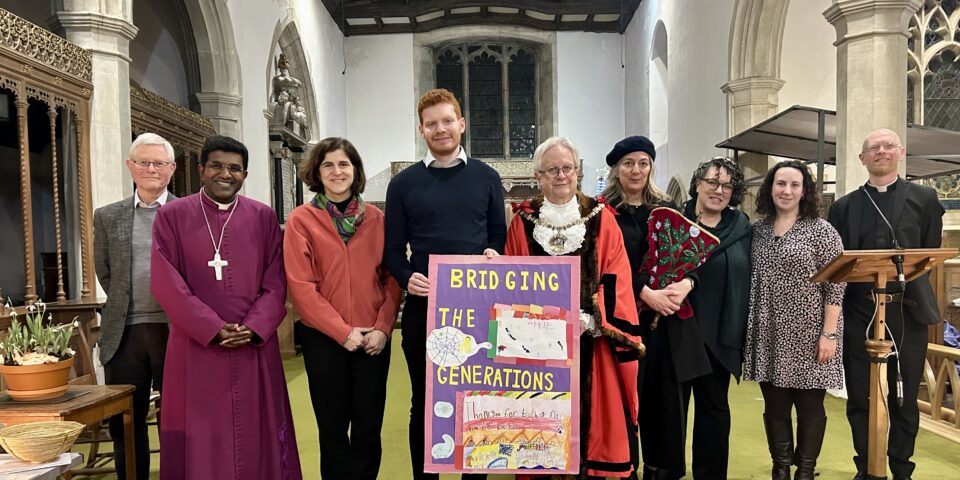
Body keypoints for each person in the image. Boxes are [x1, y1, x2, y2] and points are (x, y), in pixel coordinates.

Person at [150, 135, 302, 480]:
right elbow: (165, 282)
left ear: (244, 175)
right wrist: (212, 328)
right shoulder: (172, 216)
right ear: (201, 169)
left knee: (256, 431)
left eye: (235, 168)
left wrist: (254, 327)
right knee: (200, 437)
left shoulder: (263, 217)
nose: (226, 174)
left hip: (253, 347)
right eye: (217, 165)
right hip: (195, 347)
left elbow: (277, 281)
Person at [383, 88, 506, 480]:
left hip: (478, 310)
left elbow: (497, 236)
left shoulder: (487, 177)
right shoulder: (403, 185)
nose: (441, 129)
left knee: (475, 400)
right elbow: (390, 251)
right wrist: (407, 277)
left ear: (461, 124)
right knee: (426, 401)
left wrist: (493, 254)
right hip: (425, 310)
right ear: (421, 130)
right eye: (432, 123)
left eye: (447, 121)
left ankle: (475, 475)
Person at [505, 136, 643, 479]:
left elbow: (617, 276)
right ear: (538, 176)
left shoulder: (601, 218)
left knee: (593, 427)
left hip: (591, 342)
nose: (561, 175)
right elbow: (511, 280)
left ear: (578, 171)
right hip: (536, 349)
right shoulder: (522, 221)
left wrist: (595, 319)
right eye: (552, 169)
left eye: (567, 168)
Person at [827, 128, 945, 480]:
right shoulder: (844, 206)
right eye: (872, 148)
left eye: (887, 146)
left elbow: (927, 256)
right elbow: (839, 263)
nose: (880, 151)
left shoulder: (925, 199)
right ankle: (867, 466)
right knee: (861, 397)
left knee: (904, 398)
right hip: (860, 311)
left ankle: (901, 468)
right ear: (862, 158)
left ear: (900, 152)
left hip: (906, 312)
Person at [284, 137, 402, 480]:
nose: (337, 171)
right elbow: (301, 286)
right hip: (324, 339)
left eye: (344, 164)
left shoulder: (378, 219)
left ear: (355, 171)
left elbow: (392, 278)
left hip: (373, 339)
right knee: (332, 430)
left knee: (368, 429)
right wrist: (341, 331)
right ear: (317, 173)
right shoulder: (301, 221)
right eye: (328, 165)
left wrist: (382, 328)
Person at [643, 157, 752, 479]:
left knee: (714, 411)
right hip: (676, 329)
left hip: (719, 334)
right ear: (697, 184)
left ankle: (710, 474)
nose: (719, 190)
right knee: (670, 411)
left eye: (727, 185)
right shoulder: (672, 220)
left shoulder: (742, 227)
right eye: (712, 182)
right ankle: (665, 471)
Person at [744, 160, 846, 480]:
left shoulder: (821, 230)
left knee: (809, 407)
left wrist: (828, 334)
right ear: (770, 188)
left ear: (805, 191)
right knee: (775, 406)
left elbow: (838, 284)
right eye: (780, 184)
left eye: (794, 185)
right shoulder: (757, 229)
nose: (786, 191)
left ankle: (805, 470)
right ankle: (780, 467)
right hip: (768, 330)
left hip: (811, 330)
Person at [601, 136, 686, 480]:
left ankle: (658, 467)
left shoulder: (666, 210)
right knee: (624, 393)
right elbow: (605, 262)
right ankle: (626, 466)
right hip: (620, 315)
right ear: (616, 169)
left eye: (643, 163)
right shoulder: (602, 211)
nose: (636, 170)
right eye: (628, 163)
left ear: (651, 168)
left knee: (661, 398)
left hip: (661, 319)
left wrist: (681, 286)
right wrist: (643, 291)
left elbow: (682, 257)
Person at [93, 132, 177, 480]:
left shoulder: (187, 212)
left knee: (179, 417)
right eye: (143, 162)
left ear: (171, 169)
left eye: (159, 163)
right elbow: (105, 271)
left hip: (175, 330)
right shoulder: (108, 216)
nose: (151, 169)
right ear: (130, 166)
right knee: (126, 418)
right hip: (124, 331)